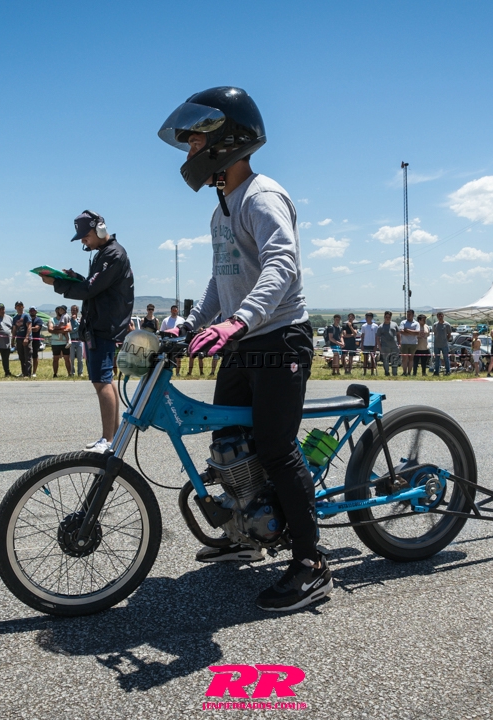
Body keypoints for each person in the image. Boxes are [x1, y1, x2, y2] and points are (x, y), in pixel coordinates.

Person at [159, 86, 327, 611]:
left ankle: (311, 565)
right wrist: (190, 325)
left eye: (195, 142)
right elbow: (222, 278)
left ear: (226, 140)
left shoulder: (261, 196)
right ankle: (245, 533)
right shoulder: (221, 209)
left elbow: (282, 265)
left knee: (276, 448)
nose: (190, 151)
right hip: (242, 339)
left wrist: (238, 321)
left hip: (278, 337)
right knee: (229, 440)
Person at [45, 209, 134, 451]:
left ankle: (108, 440)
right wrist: (75, 278)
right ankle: (113, 437)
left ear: (100, 229)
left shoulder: (112, 254)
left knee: (101, 381)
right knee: (106, 380)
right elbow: (94, 285)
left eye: (85, 236)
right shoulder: (105, 254)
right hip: (102, 323)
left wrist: (58, 283)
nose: (83, 241)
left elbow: (90, 290)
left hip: (103, 325)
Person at [49, 305, 73, 377]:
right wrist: (62, 330)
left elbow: (69, 329)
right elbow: (50, 329)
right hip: (55, 342)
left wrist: (56, 329)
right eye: (57, 311)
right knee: (55, 358)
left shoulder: (66, 318)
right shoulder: (52, 320)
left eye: (60, 310)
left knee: (67, 358)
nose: (58, 312)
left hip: (65, 342)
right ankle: (55, 374)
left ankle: (69, 373)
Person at [377, 310, 399, 376]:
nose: (387, 318)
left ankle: (394, 373)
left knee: (394, 360)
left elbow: (398, 334)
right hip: (385, 347)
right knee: (385, 360)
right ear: (384, 317)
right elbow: (377, 337)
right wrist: (379, 347)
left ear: (391, 317)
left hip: (394, 346)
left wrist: (399, 344)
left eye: (389, 317)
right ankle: (387, 372)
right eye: (386, 317)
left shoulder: (395, 324)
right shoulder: (380, 327)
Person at [431, 312, 453, 376]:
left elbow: (449, 334)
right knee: (437, 359)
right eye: (438, 316)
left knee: (446, 358)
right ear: (437, 317)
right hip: (436, 344)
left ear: (443, 316)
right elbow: (435, 333)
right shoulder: (435, 325)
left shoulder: (447, 325)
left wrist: (446, 340)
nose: (440, 317)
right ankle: (436, 372)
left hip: (444, 345)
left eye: (441, 316)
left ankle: (448, 371)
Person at [398, 309, 419, 376]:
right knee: (404, 359)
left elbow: (417, 332)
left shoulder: (416, 323)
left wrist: (407, 330)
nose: (408, 315)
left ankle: (409, 372)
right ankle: (404, 372)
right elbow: (401, 331)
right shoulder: (403, 322)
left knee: (411, 359)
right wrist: (412, 332)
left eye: (409, 314)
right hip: (404, 343)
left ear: (413, 315)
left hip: (413, 344)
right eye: (407, 314)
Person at [28, 307, 46, 377]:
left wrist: (27, 328)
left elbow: (36, 329)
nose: (32, 312)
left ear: (36, 312)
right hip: (27, 339)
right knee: (26, 356)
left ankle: (34, 372)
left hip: (35, 340)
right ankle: (26, 371)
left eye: (33, 310)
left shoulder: (38, 320)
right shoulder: (27, 319)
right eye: (31, 310)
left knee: (35, 356)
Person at [69, 304, 85, 377]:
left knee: (80, 358)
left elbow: (80, 328)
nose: (73, 311)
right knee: (72, 358)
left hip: (79, 341)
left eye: (74, 310)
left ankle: (80, 372)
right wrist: (76, 328)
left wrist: (75, 321)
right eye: (72, 310)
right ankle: (72, 372)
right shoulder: (69, 320)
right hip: (72, 341)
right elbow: (70, 330)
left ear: (77, 311)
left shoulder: (80, 320)